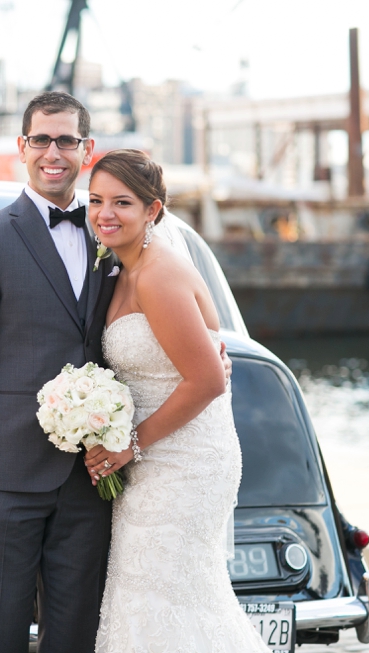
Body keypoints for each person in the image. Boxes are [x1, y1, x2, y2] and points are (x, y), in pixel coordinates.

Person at [0, 91, 116, 653]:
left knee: (75, 634)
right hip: (5, 479)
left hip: (89, 480)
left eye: (66, 140)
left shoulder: (111, 234)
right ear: (22, 147)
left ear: (87, 150)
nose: (53, 152)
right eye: (42, 139)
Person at [83, 149, 269, 652]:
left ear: (154, 211)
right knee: (151, 599)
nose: (105, 213)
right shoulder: (120, 269)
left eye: (122, 202)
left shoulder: (159, 273)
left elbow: (208, 380)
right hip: (152, 459)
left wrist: (130, 446)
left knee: (162, 598)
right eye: (96, 200)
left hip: (183, 465)